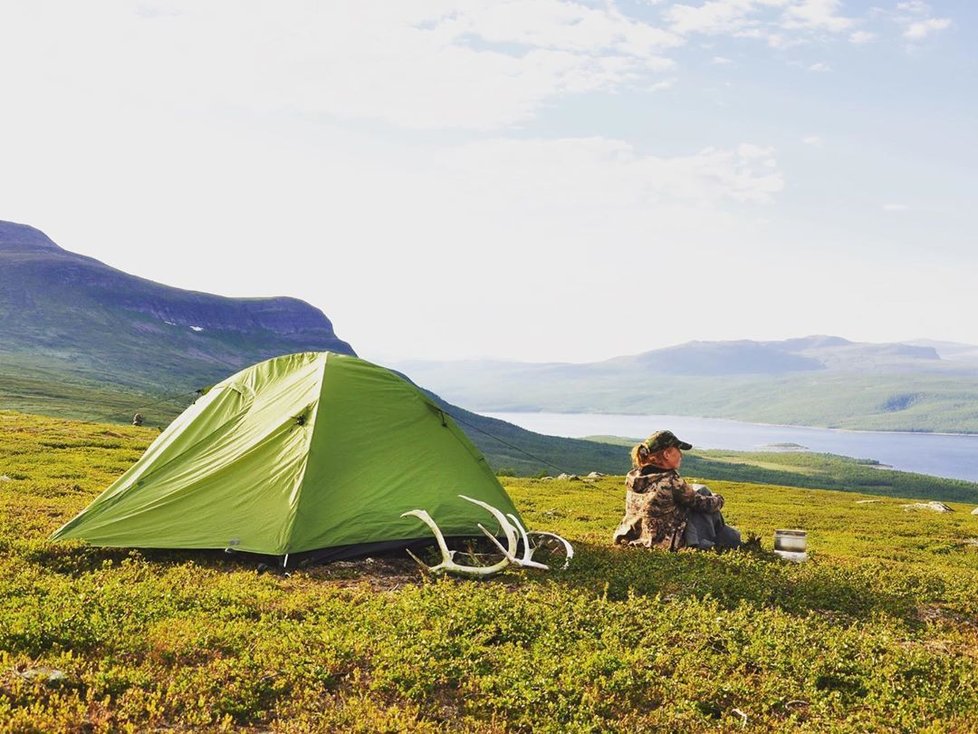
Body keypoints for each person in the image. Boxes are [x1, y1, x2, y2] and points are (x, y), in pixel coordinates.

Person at [613, 430, 741, 551]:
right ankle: (725, 540)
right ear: (666, 454)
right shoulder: (671, 481)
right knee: (704, 493)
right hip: (662, 542)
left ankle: (725, 537)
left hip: (633, 536)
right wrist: (719, 498)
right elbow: (706, 505)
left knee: (699, 491)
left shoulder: (634, 477)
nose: (681, 454)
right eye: (678, 450)